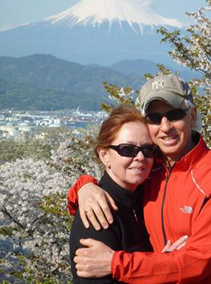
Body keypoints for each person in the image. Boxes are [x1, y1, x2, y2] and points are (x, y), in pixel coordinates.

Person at [69, 74, 211, 283]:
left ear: (192, 115)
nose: (165, 127)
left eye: (174, 115)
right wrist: (84, 187)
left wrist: (115, 264)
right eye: (155, 118)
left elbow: (199, 261)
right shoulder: (149, 168)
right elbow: (119, 184)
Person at [70, 105, 186, 284]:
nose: (140, 157)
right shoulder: (98, 214)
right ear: (104, 155)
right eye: (127, 149)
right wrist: (163, 274)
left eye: (148, 150)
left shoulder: (144, 199)